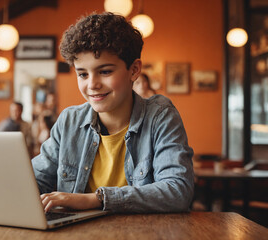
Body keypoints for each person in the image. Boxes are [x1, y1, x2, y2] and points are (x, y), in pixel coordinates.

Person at [32, 12, 194, 213]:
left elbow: (177, 191)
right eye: (82, 74)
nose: (92, 84)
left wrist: (96, 199)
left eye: (105, 71)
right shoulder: (69, 121)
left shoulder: (160, 116)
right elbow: (33, 182)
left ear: (134, 70)